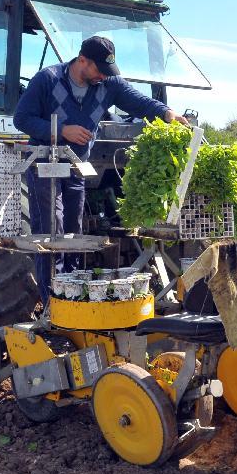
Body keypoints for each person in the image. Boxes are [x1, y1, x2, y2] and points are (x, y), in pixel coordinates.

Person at [14, 36, 189, 304]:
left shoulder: (108, 84)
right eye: (98, 70)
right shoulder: (47, 79)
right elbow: (21, 119)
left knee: (74, 233)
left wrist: (168, 114)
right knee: (51, 233)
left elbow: (140, 103)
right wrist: (61, 131)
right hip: (45, 167)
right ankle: (51, 304)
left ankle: (70, 296)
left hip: (76, 167)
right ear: (82, 60)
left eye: (107, 72)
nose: (102, 77)